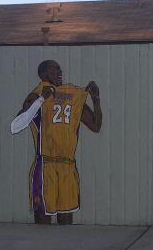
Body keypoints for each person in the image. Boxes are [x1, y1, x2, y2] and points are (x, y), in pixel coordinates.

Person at [10, 60, 102, 224]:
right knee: (43, 220)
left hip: (67, 165)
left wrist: (95, 99)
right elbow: (15, 126)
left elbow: (95, 125)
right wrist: (40, 100)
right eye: (54, 69)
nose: (60, 72)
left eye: (60, 69)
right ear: (44, 74)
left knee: (66, 221)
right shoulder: (37, 94)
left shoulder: (71, 95)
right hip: (46, 166)